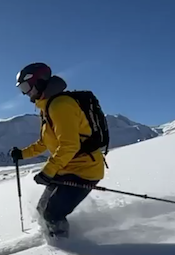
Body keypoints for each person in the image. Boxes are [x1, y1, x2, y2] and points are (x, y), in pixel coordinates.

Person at [9, 62, 107, 238]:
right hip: (67, 168)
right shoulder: (47, 107)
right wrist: (22, 154)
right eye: (22, 89)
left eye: (25, 87)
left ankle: (63, 250)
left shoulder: (60, 106)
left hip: (84, 171)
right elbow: (45, 142)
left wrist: (48, 171)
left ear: (39, 82)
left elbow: (70, 145)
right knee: (42, 209)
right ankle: (53, 239)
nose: (25, 93)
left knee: (52, 214)